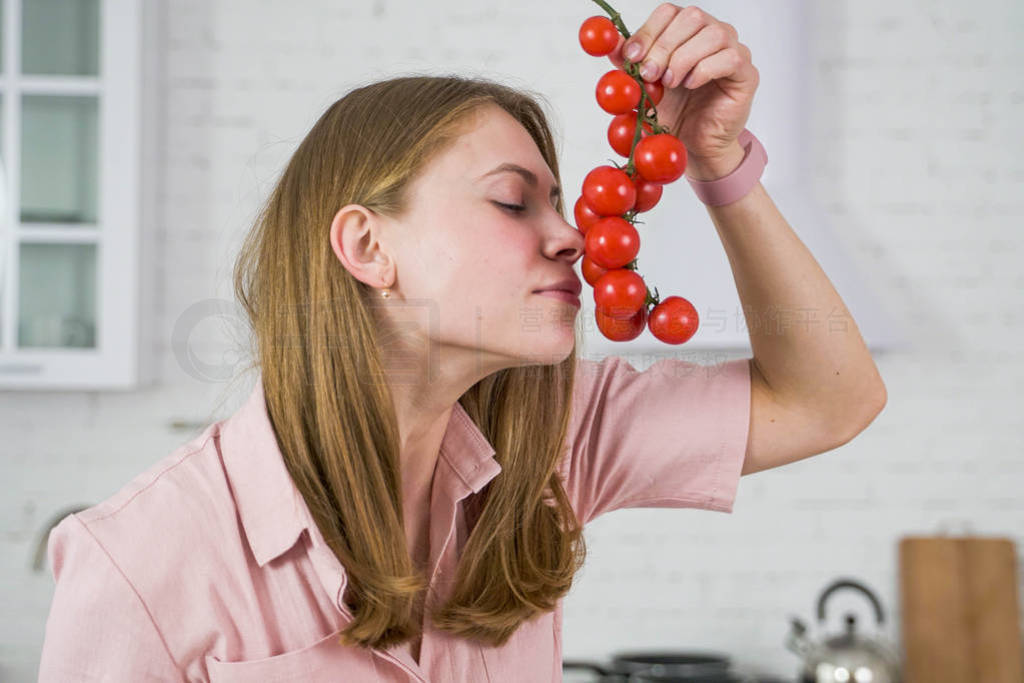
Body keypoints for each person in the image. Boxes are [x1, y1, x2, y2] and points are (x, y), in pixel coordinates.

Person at [38, 5, 886, 681]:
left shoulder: (554, 435)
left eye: (559, 203)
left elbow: (831, 398)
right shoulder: (140, 560)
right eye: (514, 202)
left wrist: (717, 159)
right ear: (370, 247)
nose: (574, 238)